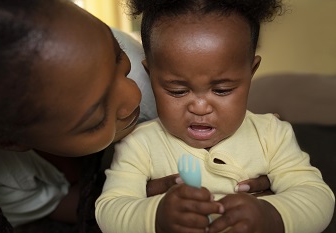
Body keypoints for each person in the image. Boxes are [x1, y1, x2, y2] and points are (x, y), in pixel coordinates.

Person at [0, 0, 271, 232]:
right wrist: (135, 202)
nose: (132, 96)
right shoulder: (2, 173)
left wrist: (252, 172)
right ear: (10, 143)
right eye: (97, 117)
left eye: (117, 61)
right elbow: (50, 205)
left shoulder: (147, 74)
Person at [95, 0, 335, 233]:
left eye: (222, 90)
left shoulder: (272, 135)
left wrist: (270, 215)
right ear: (151, 75)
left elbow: (317, 197)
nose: (200, 108)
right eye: (177, 91)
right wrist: (156, 217)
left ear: (251, 72)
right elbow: (110, 210)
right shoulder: (139, 144)